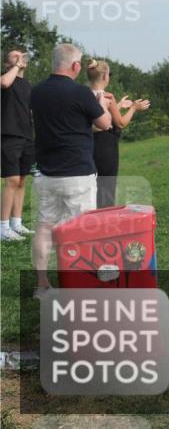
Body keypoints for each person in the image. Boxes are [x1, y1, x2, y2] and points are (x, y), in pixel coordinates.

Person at [30, 43, 113, 296]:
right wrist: (102, 103)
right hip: (77, 172)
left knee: (44, 227)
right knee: (85, 228)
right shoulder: (81, 93)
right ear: (76, 66)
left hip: (46, 172)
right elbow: (105, 124)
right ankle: (85, 281)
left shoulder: (36, 92)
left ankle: (42, 285)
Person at [86, 60, 151, 208]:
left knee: (90, 185)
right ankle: (104, 216)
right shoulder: (108, 97)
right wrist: (133, 108)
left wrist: (119, 106)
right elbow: (121, 123)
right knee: (106, 184)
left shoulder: (83, 95)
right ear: (105, 77)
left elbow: (98, 116)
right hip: (105, 145)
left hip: (87, 143)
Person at [1, 49, 34, 241]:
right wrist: (16, 66)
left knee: (22, 180)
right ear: (7, 64)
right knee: (12, 180)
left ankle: (16, 222)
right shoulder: (6, 79)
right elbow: (5, 82)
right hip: (9, 135)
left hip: (27, 136)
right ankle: (3, 227)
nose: (20, 57)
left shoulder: (27, 85)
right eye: (14, 56)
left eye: (22, 56)